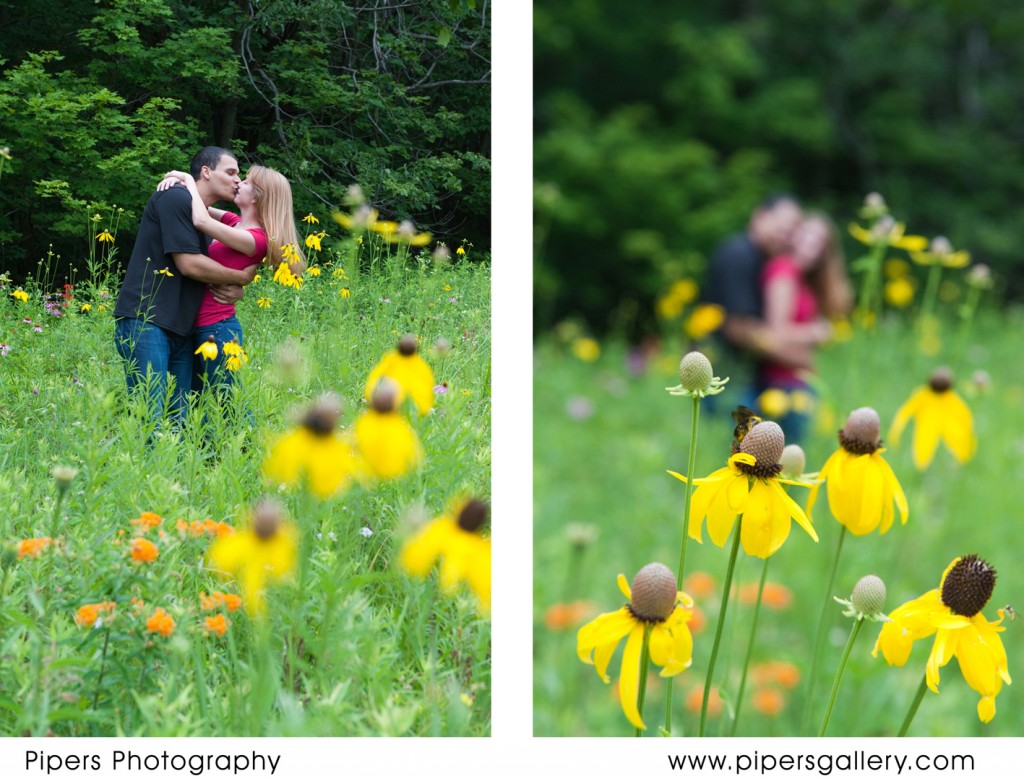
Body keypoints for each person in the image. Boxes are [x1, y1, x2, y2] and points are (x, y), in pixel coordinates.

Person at [113, 146, 258, 427]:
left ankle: (175, 472)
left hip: (182, 328)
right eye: (230, 172)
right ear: (206, 172)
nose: (237, 180)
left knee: (179, 420)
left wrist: (240, 285)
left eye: (239, 174)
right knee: (151, 415)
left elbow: (250, 246)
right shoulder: (174, 197)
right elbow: (190, 265)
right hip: (147, 320)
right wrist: (239, 279)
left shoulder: (200, 212)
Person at [157, 164, 306, 400]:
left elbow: (202, 221)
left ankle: (246, 438)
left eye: (245, 181)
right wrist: (182, 183)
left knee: (226, 402)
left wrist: (186, 177)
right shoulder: (234, 222)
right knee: (201, 401)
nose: (239, 183)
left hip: (217, 327)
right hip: (201, 325)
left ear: (257, 196)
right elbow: (200, 205)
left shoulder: (254, 239)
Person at [756, 211, 852, 442]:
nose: (810, 245)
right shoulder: (784, 270)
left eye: (819, 242)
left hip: (800, 383)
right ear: (794, 235)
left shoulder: (802, 278)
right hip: (782, 384)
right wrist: (817, 332)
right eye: (807, 235)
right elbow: (776, 333)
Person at [703, 194, 810, 380]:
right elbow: (739, 327)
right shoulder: (739, 255)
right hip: (723, 373)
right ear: (759, 216)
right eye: (781, 227)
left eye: (790, 232)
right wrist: (793, 357)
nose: (784, 236)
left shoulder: (761, 259)